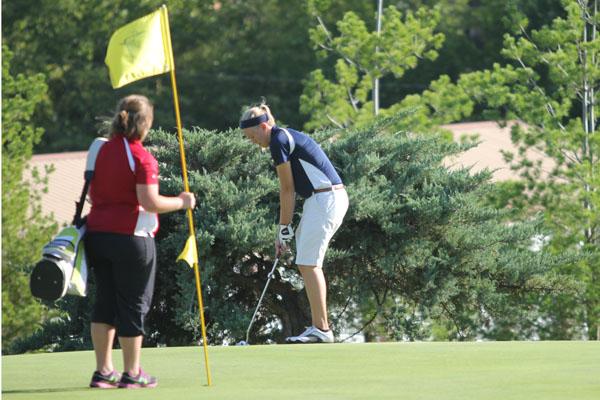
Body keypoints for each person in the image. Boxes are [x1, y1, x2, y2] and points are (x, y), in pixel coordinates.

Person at [84, 95, 196, 388]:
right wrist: (182, 202)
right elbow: (149, 201)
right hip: (132, 238)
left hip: (97, 235)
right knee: (133, 304)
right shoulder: (142, 157)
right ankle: (132, 373)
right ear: (145, 123)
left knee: (105, 301)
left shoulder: (99, 149)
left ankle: (103, 371)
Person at [239, 102, 349, 344]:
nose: (252, 141)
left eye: (252, 135)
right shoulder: (282, 137)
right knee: (306, 262)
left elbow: (287, 190)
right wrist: (285, 231)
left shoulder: (278, 141)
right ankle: (320, 328)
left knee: (309, 263)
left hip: (326, 198)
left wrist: (283, 229)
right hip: (319, 199)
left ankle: (322, 329)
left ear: (264, 126)